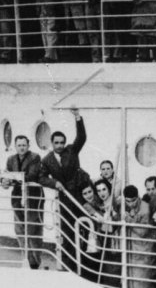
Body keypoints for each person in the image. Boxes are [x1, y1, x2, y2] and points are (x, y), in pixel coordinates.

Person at [39, 108, 87, 272]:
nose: (59, 145)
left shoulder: (72, 151)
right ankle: (69, 265)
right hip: (64, 199)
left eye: (61, 142)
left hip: (79, 196)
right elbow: (41, 177)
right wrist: (54, 183)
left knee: (83, 229)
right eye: (56, 142)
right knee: (67, 232)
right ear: (52, 143)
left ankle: (84, 263)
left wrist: (78, 117)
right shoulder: (47, 160)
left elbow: (82, 137)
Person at [2, 135, 44, 269]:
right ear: (15, 146)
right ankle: (25, 259)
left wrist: (12, 178)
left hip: (33, 198)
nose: (22, 148)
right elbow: (5, 175)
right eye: (19, 145)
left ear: (28, 145)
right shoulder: (11, 159)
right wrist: (4, 181)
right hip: (17, 197)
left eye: (24, 145)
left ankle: (35, 263)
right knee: (20, 229)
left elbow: (31, 175)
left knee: (33, 230)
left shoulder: (35, 157)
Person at [122, 185, 154, 288]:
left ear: (138, 196)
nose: (131, 204)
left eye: (133, 200)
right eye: (128, 201)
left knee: (141, 281)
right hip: (132, 250)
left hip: (143, 251)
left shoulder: (145, 209)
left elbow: (142, 231)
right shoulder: (125, 206)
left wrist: (128, 219)